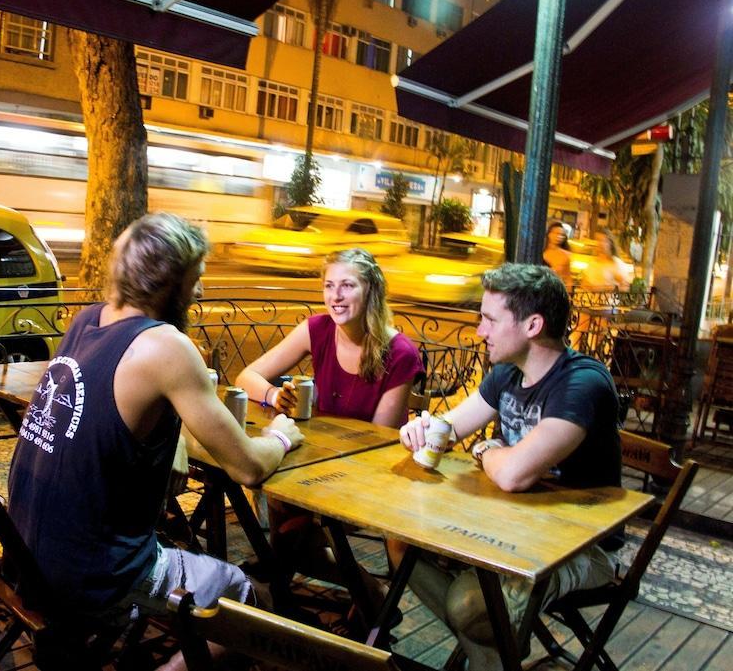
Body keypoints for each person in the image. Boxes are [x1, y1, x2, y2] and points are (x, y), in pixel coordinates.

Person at [6, 213, 303, 667]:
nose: (200, 293)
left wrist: (177, 437)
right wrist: (280, 437)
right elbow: (247, 467)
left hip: (27, 559)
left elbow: (120, 409)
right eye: (196, 280)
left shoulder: (86, 322)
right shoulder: (165, 345)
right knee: (249, 603)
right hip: (96, 575)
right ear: (169, 281)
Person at [399, 263, 622, 671]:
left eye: (489, 319)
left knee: (469, 604)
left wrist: (486, 450)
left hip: (579, 547)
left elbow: (513, 475)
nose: (479, 330)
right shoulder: (506, 374)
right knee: (400, 545)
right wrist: (420, 428)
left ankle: (496, 648)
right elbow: (449, 426)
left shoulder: (581, 383)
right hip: (508, 528)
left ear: (533, 325)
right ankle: (498, 655)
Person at [236, 248, 423, 584]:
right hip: (317, 461)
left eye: (347, 286)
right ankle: (355, 591)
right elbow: (246, 376)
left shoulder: (400, 353)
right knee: (276, 489)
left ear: (371, 291)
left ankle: (364, 593)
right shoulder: (317, 329)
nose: (335, 296)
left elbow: (376, 440)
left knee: (290, 530)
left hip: (368, 474)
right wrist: (274, 395)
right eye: (329, 286)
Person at [542, 221, 573, 289]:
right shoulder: (541, 252)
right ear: (549, 234)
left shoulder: (566, 255)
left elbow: (568, 279)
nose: (559, 237)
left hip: (557, 291)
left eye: (562, 235)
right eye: (556, 233)